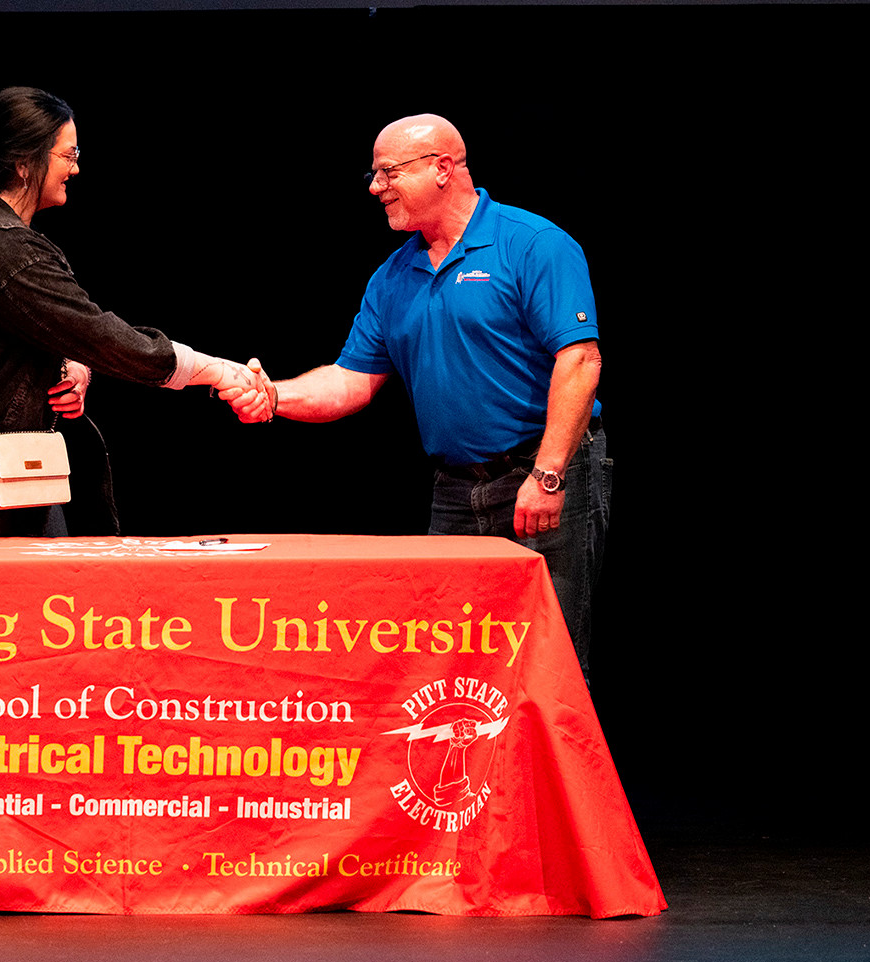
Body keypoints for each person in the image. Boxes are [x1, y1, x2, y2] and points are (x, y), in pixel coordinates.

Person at [226, 114, 609, 678]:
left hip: (544, 478)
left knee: (549, 666)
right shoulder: (393, 274)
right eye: (374, 174)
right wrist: (271, 395)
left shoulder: (532, 245)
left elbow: (580, 360)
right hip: (456, 491)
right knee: (449, 667)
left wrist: (548, 475)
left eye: (387, 172)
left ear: (442, 169)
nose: (376, 187)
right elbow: (351, 381)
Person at [0, 86, 265, 537]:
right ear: (24, 163)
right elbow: (102, 337)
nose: (76, 167)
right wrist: (218, 371)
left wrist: (69, 368)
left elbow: (25, 336)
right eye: (69, 154)